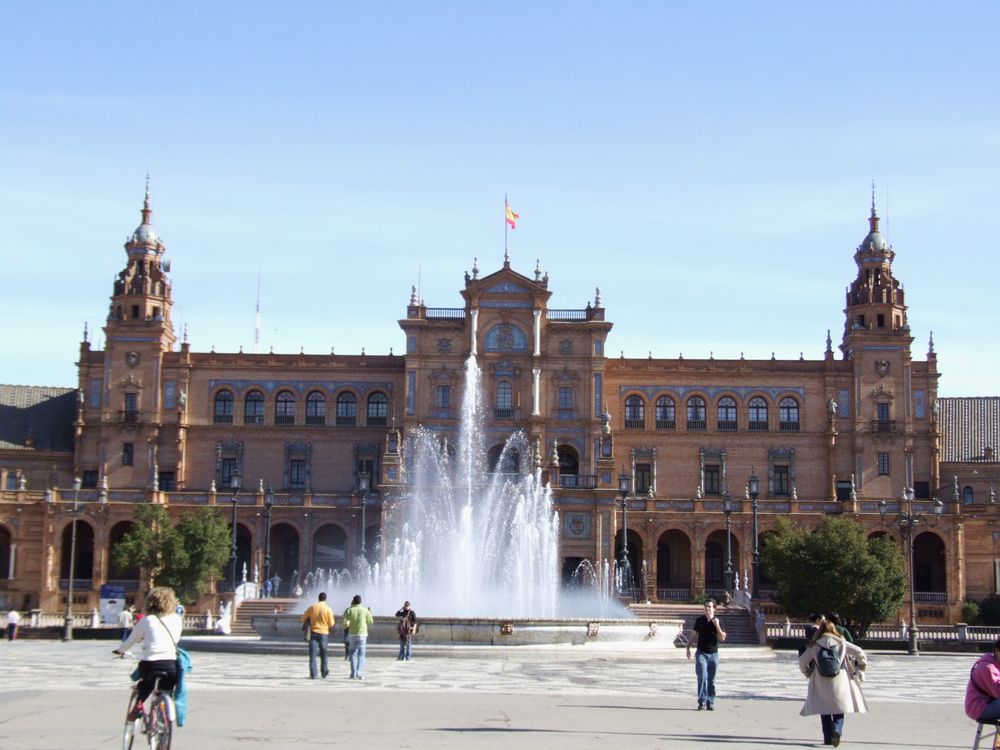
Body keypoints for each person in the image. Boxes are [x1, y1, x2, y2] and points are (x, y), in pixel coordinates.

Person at [113, 587, 183, 719]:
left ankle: (138, 706)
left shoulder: (147, 620)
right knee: (166, 689)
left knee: (145, 684)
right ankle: (163, 717)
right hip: (171, 664)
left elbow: (130, 641)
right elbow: (176, 640)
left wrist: (120, 651)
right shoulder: (177, 619)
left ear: (150, 602)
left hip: (150, 664)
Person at [799, 620, 867, 746]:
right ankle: (837, 729)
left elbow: (802, 661)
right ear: (833, 629)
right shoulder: (841, 642)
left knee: (824, 710)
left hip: (820, 680)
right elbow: (859, 652)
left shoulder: (814, 645)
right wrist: (861, 667)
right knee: (838, 708)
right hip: (839, 679)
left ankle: (827, 738)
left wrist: (808, 673)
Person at [686, 599, 727, 710]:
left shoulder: (719, 621)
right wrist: (688, 647)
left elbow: (722, 638)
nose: (707, 609)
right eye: (706, 606)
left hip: (714, 654)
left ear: (714, 608)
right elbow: (694, 634)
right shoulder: (700, 620)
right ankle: (702, 701)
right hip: (701, 653)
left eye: (709, 606)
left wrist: (717, 625)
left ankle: (710, 701)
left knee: (712, 680)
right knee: (702, 677)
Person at [966, 636, 1000, 730]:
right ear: (997, 651)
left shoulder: (996, 663)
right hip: (980, 707)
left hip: (990, 702)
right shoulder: (988, 667)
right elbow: (998, 692)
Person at [300, 592, 335, 679]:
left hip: (314, 633)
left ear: (318, 598)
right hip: (324, 633)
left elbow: (303, 618)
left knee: (312, 654)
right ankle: (324, 671)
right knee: (324, 653)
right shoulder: (328, 609)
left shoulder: (312, 607)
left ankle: (313, 673)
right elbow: (331, 623)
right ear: (325, 599)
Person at [343, 594, 374, 679]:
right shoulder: (365, 610)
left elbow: (345, 623)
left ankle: (353, 673)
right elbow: (370, 621)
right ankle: (359, 672)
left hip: (352, 634)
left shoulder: (349, 610)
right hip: (362, 634)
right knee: (361, 653)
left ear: (353, 601)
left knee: (352, 653)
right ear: (361, 601)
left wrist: (349, 623)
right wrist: (370, 613)